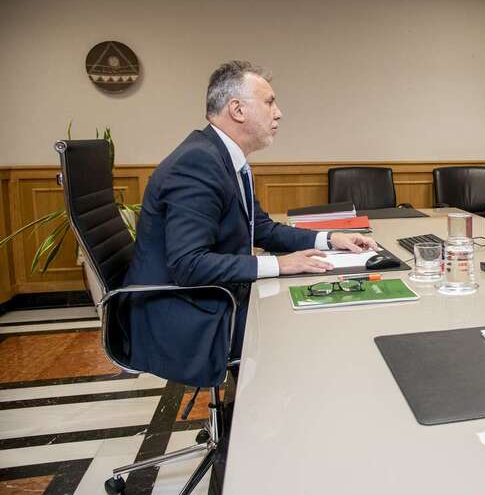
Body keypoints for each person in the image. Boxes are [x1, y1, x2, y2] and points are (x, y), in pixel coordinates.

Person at [121, 61, 378, 386]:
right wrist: (278, 265)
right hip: (180, 314)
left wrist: (329, 239)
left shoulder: (223, 157)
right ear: (238, 109)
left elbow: (263, 229)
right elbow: (188, 264)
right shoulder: (197, 162)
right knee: (306, 325)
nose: (279, 113)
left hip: (208, 297)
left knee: (307, 308)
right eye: (270, 102)